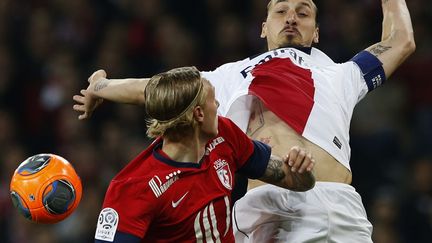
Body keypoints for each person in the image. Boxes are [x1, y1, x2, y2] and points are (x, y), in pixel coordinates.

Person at [74, 0, 415, 242]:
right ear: (264, 27)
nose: (292, 17)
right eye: (281, 10)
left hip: (334, 205)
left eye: (304, 12)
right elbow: (160, 88)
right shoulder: (229, 75)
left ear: (317, 32)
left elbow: (400, 42)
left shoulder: (342, 74)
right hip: (265, 214)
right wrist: (102, 86)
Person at [92, 66, 315, 242]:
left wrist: (300, 169)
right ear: (199, 114)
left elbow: (293, 179)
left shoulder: (226, 136)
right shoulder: (134, 188)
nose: (218, 104)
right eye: (213, 99)